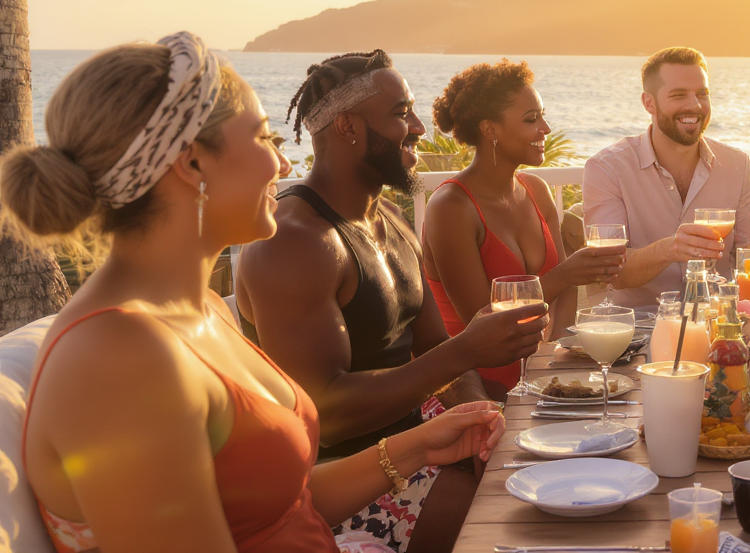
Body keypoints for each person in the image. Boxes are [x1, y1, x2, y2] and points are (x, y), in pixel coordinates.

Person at [0, 35, 505, 552]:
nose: (285, 167)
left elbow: (278, 506)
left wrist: (417, 448)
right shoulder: (119, 359)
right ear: (193, 165)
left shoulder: (197, 313)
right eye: (266, 140)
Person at [236, 50, 547, 549]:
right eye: (402, 113)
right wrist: (468, 349)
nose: (420, 127)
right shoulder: (294, 243)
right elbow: (327, 414)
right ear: (349, 127)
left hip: (422, 439)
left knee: (555, 469)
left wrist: (487, 425)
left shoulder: (389, 219)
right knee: (517, 522)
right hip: (346, 480)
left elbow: (433, 349)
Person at [422, 60, 625, 398]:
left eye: (542, 115)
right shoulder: (451, 207)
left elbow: (564, 296)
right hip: (473, 392)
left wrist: (556, 363)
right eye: (531, 119)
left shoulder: (536, 190)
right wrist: (566, 274)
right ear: (491, 130)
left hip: (539, 381)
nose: (545, 127)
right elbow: (483, 324)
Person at [583, 47, 750, 307]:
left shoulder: (739, 165)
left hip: (718, 325)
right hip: (638, 330)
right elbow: (610, 271)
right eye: (679, 95)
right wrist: (669, 249)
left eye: (702, 94)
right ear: (648, 103)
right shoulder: (606, 168)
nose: (694, 105)